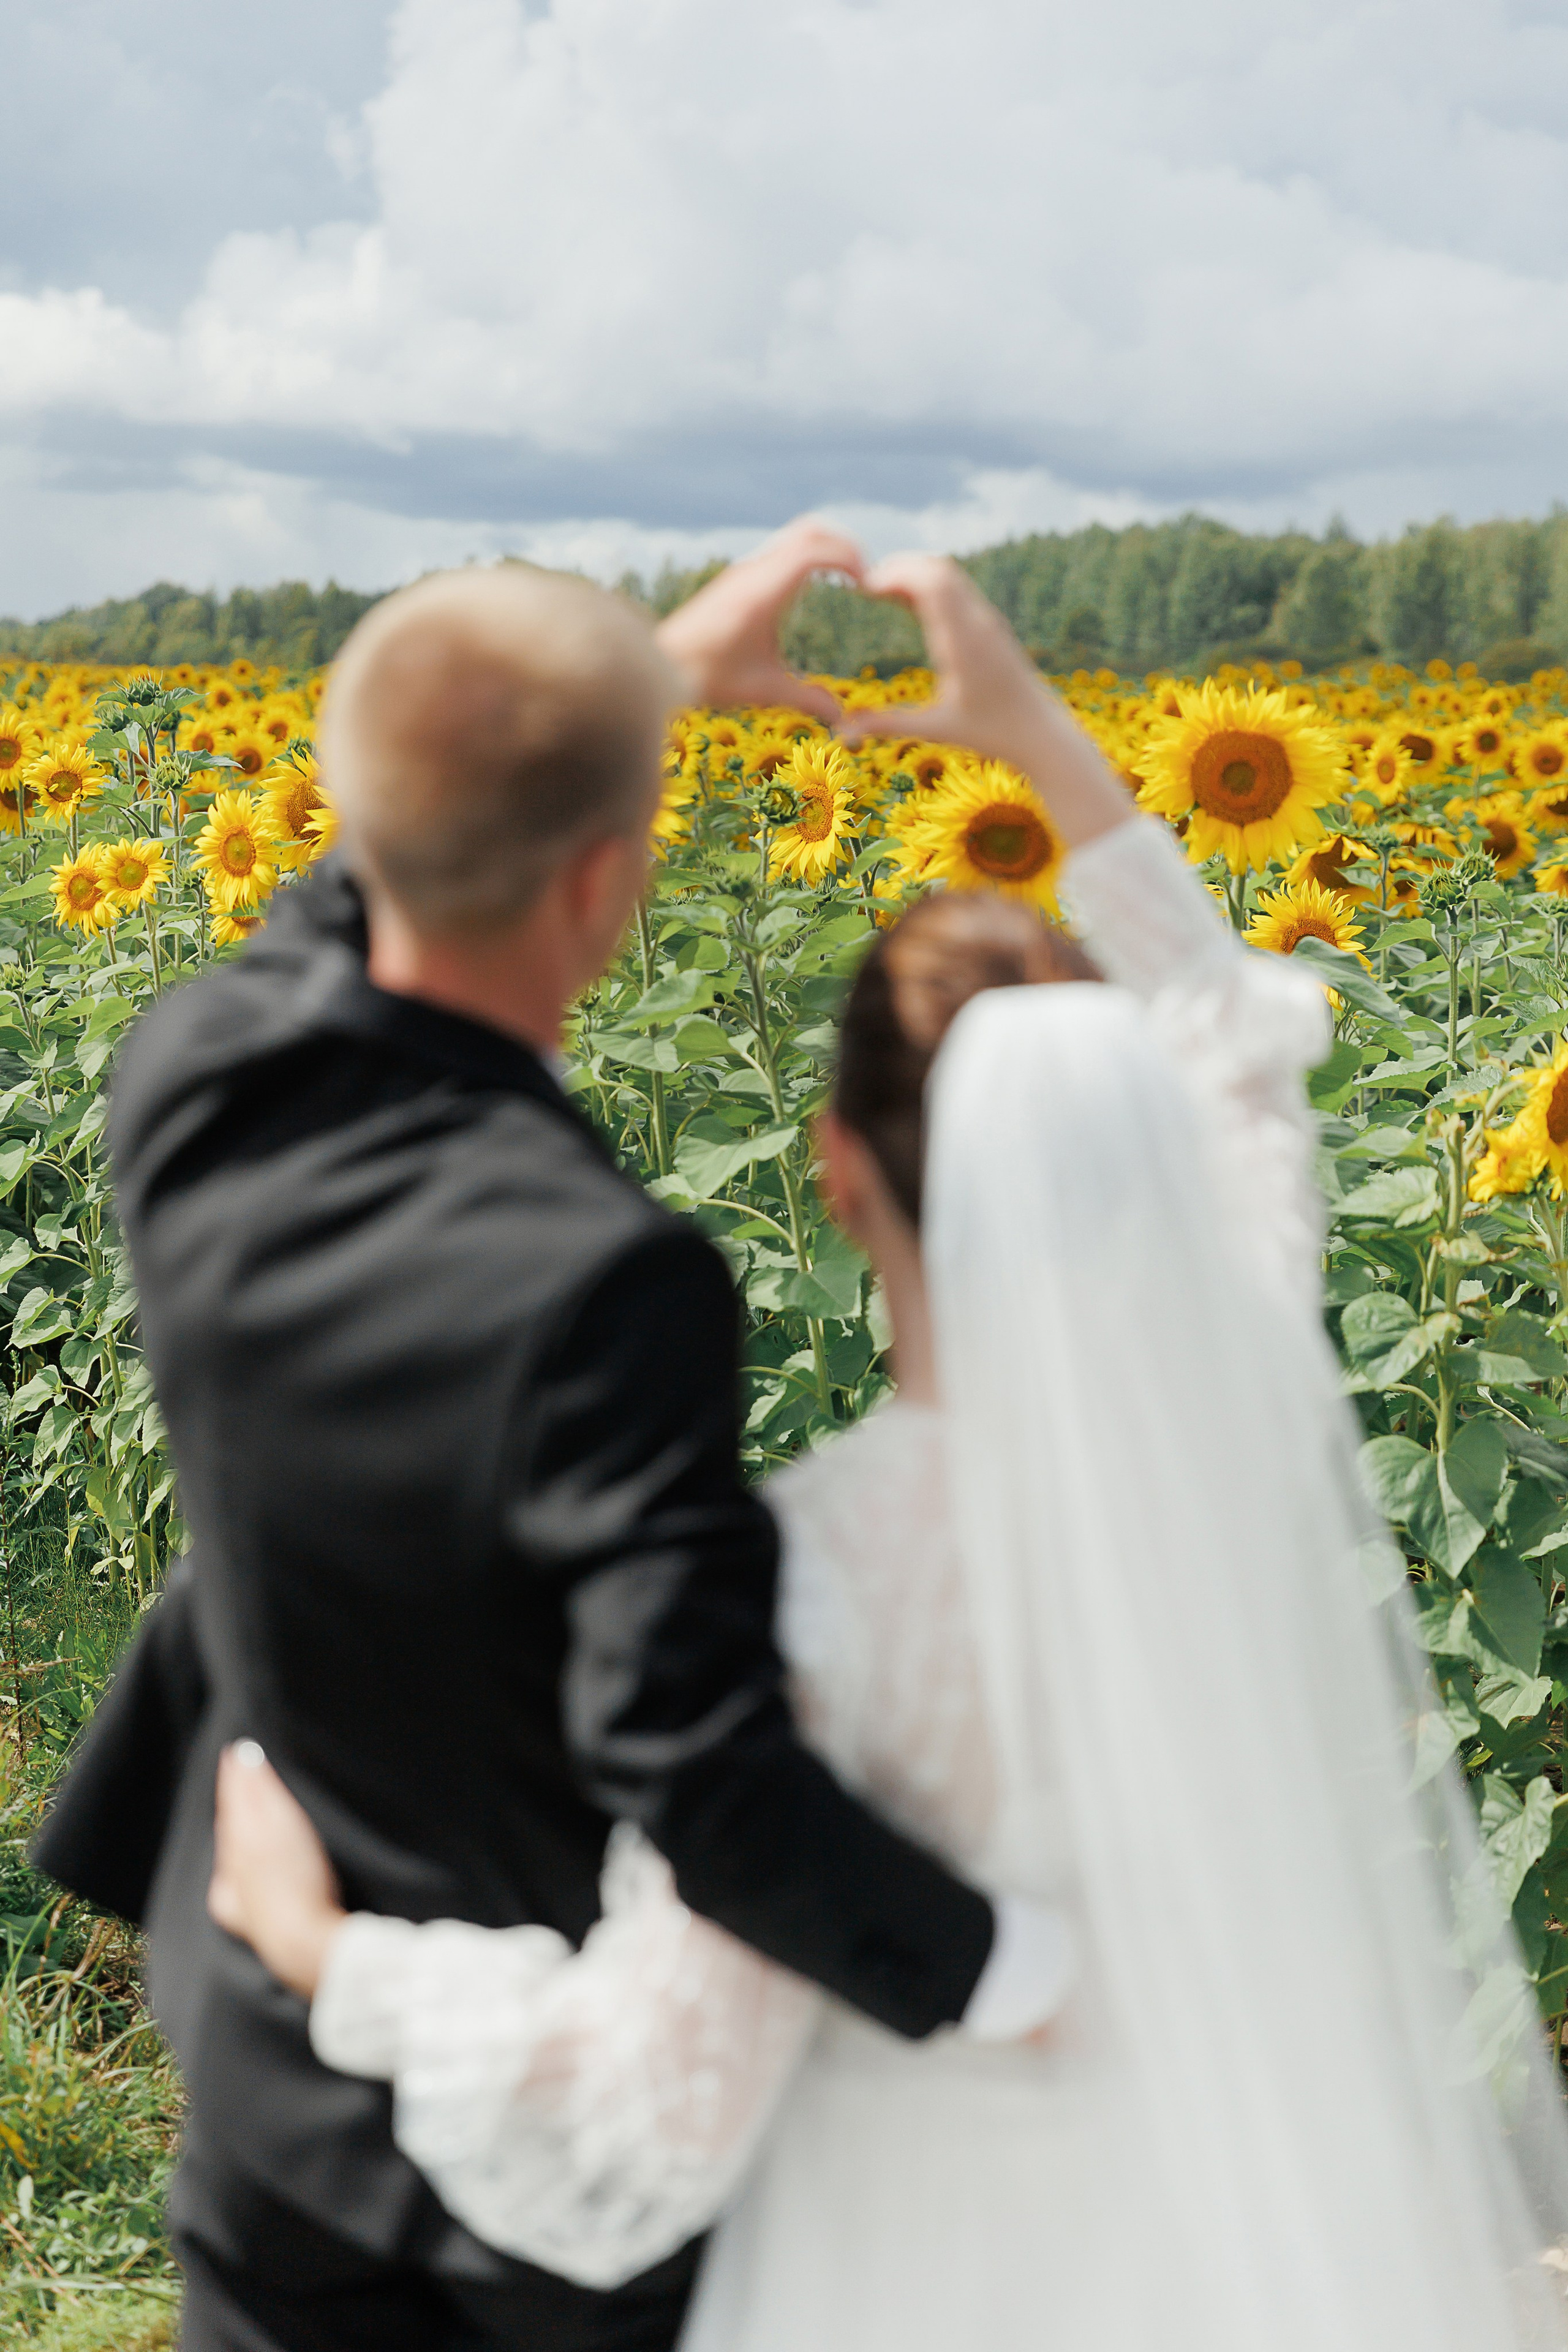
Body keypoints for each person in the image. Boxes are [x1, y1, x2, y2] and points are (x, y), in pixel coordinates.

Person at [207, 557, 1568, 2347]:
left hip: (919, 2266)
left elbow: (644, 2104)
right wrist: (1040, 739)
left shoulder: (816, 1570)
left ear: (838, 1171)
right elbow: (1232, 1045)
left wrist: (327, 1955)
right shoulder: (1240, 1389)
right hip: (1240, 2232)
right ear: (1139, 1143)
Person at [31, 524, 1074, 2352]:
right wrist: (1027, 1971)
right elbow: (694, 1765)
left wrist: (630, 684)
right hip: (530, 2150)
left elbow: (350, 898)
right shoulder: (607, 1285)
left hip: (268, 2062)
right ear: (608, 888)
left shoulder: (189, 1081)